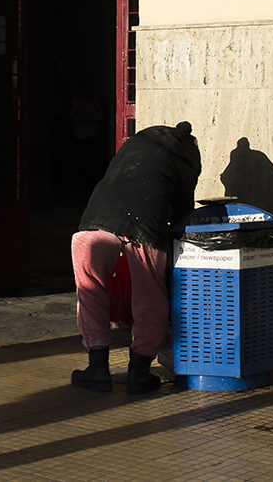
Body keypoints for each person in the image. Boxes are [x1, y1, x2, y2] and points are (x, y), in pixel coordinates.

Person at [70, 121, 201, 395]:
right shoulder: (184, 159)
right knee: (149, 299)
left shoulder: (132, 145)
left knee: (90, 294)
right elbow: (183, 213)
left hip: (92, 226)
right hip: (144, 229)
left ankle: (97, 369)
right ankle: (139, 372)